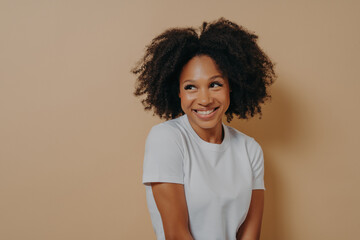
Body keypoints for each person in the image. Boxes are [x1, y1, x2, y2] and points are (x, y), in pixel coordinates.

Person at [132, 18, 276, 240]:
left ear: (231, 86)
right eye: (191, 87)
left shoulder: (250, 149)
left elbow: (250, 236)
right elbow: (176, 234)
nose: (205, 99)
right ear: (178, 92)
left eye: (215, 84)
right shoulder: (166, 139)